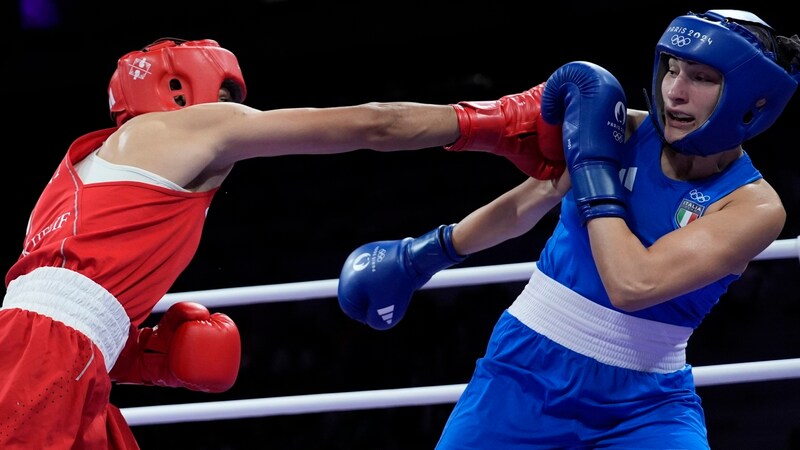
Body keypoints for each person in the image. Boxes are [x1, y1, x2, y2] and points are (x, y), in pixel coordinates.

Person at [0, 37, 567, 449]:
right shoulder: (184, 129)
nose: (230, 105)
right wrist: (495, 120)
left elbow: (52, 311)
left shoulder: (72, 176)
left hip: (66, 360)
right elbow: (373, 124)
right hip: (52, 358)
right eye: (221, 92)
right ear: (176, 90)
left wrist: (148, 359)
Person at [338, 9, 800, 448]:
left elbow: (634, 283)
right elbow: (527, 204)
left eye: (701, 78)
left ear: (750, 96)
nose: (674, 91)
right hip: (523, 372)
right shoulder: (624, 131)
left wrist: (594, 170)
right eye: (673, 69)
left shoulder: (753, 206)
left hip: (647, 403)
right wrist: (425, 254)